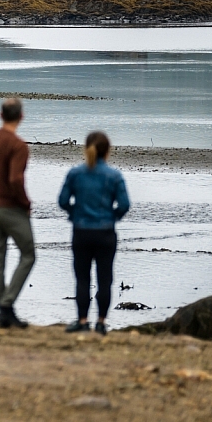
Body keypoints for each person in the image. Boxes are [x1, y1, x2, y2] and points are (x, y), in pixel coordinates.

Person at [58, 130, 131, 336]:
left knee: (82, 278)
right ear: (108, 151)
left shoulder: (75, 174)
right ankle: (100, 322)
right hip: (105, 233)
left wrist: (75, 214)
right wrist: (112, 217)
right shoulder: (114, 176)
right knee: (105, 279)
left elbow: (63, 201)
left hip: (81, 231)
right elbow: (124, 205)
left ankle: (82, 320)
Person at [0, 97, 34, 328]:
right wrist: (25, 203)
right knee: (28, 254)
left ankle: (3, 309)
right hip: (10, 208)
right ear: (21, 117)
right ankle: (6, 304)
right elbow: (15, 179)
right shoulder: (18, 145)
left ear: (1, 115)